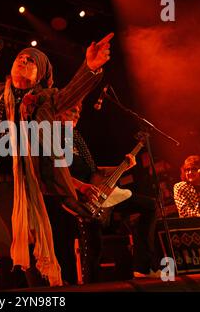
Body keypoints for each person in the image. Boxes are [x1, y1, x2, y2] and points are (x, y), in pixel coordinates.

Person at [0, 33, 114, 291]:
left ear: (40, 74)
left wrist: (90, 68)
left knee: (29, 247)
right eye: (20, 58)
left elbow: (70, 95)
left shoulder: (44, 99)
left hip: (12, 185)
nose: (23, 61)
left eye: (31, 61)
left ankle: (40, 295)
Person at [48, 104, 161, 284]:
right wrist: (81, 186)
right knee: (93, 247)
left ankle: (143, 267)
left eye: (78, 111)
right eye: (71, 110)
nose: (77, 114)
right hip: (78, 196)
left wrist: (122, 167)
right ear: (58, 113)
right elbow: (55, 172)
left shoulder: (75, 137)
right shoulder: (53, 137)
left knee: (150, 206)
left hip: (98, 191)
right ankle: (89, 286)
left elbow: (94, 172)